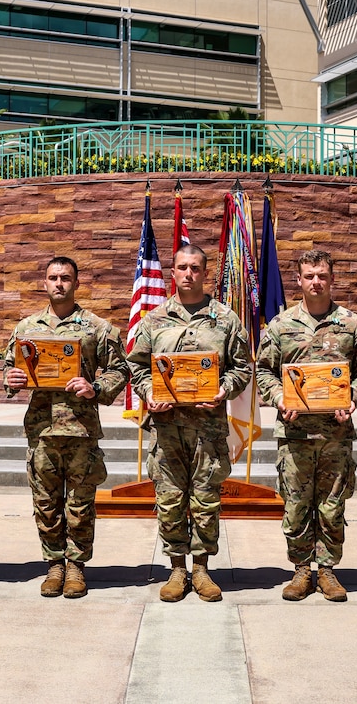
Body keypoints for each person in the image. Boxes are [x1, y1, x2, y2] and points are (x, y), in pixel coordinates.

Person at [127, 244, 252, 603]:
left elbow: (242, 368)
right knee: (169, 500)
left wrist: (223, 390)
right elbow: (136, 366)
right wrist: (150, 392)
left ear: (205, 272)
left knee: (206, 500)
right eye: (182, 267)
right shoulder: (154, 320)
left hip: (208, 430)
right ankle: (177, 568)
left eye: (195, 268)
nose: (188, 274)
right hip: (166, 429)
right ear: (173, 272)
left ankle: (201, 568)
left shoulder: (225, 319)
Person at [254, 250, 357, 602]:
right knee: (295, 505)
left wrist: (354, 397)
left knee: (332, 505)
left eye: (322, 275)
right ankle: (301, 569)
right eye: (309, 276)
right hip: (294, 434)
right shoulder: (280, 326)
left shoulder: (352, 325)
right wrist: (278, 396)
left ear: (332, 279)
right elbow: (263, 371)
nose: (316, 282)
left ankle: (327, 570)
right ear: (299, 280)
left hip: (335, 434)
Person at [3, 257, 128, 599]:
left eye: (66, 278)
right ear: (44, 282)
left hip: (81, 432)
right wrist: (11, 379)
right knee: (45, 504)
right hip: (42, 432)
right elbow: (7, 369)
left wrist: (96, 388)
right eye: (53, 277)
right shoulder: (26, 328)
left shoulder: (97, 328)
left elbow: (120, 369)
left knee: (80, 504)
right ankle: (54, 564)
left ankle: (76, 566)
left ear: (76, 283)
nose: (59, 283)